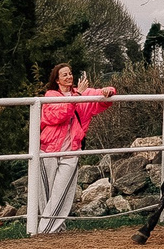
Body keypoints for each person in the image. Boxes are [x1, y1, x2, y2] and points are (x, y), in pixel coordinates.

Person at [36, 63, 118, 234]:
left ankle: (45, 231)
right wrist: (78, 95)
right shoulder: (50, 95)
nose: (69, 77)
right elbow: (58, 115)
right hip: (49, 150)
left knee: (61, 192)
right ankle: (56, 228)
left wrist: (108, 92)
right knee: (46, 193)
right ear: (57, 80)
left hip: (71, 151)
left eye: (70, 73)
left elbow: (106, 94)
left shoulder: (84, 94)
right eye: (64, 75)